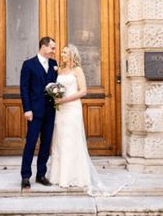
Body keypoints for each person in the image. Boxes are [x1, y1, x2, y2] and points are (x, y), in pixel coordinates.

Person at [49, 44, 118, 196]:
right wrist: (55, 96)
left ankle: (75, 175)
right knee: (60, 140)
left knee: (72, 139)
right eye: (62, 52)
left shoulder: (77, 70)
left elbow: (83, 91)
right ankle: (59, 175)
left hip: (72, 108)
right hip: (60, 110)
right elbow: (56, 87)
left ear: (72, 55)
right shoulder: (60, 69)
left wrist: (65, 99)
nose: (62, 54)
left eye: (65, 52)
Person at [19, 36, 58, 189]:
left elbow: (57, 86)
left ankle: (41, 174)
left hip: (50, 111)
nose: (53, 52)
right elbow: (24, 89)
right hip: (34, 112)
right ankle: (25, 176)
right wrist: (27, 109)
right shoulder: (29, 65)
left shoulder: (54, 64)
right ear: (43, 46)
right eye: (52, 48)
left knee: (46, 144)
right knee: (30, 143)